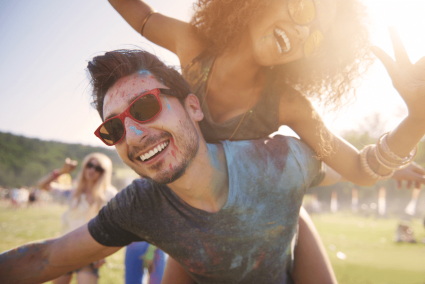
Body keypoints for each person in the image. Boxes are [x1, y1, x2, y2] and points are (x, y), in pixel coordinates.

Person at [1, 46, 424, 283]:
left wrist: (415, 123)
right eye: (113, 129)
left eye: (146, 106)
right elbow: (44, 259)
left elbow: (358, 169)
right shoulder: (140, 206)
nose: (132, 136)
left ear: (192, 107)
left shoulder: (275, 161)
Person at [108, 0, 425, 282]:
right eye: (303, 10)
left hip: (270, 220)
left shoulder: (287, 103)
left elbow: (358, 168)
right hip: (192, 218)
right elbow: (141, 14)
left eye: (316, 39)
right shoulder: (193, 48)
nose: (303, 34)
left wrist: (417, 121)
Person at [37, 154, 117, 284]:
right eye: (89, 165)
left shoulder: (109, 195)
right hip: (65, 248)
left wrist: (103, 252)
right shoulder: (73, 192)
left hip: (90, 251)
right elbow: (42, 185)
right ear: (84, 166)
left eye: (98, 168)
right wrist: (62, 172)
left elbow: (114, 226)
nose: (92, 170)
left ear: (105, 173)